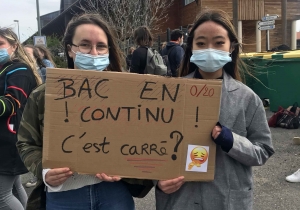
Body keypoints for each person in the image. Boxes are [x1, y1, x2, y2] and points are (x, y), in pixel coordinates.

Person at [155, 9, 274, 210]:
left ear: (231, 47)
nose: (209, 49)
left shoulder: (247, 99)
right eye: (201, 43)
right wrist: (157, 181)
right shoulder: (171, 94)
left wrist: (232, 141)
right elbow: (151, 146)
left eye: (219, 42)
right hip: (180, 200)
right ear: (191, 47)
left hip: (227, 201)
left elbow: (263, 150)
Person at [17, 14, 135, 210]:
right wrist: (44, 171)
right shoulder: (44, 96)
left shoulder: (128, 93)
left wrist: (126, 168)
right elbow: (26, 143)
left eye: (101, 46)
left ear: (109, 50)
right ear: (70, 50)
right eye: (85, 45)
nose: (94, 53)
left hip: (114, 192)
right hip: (65, 195)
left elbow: (144, 139)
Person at [0, 28, 41, 210]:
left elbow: (11, 103)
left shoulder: (20, 70)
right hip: (8, 138)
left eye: (1, 44)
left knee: (2, 196)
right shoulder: (7, 68)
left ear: (14, 46)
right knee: (14, 188)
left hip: (10, 139)